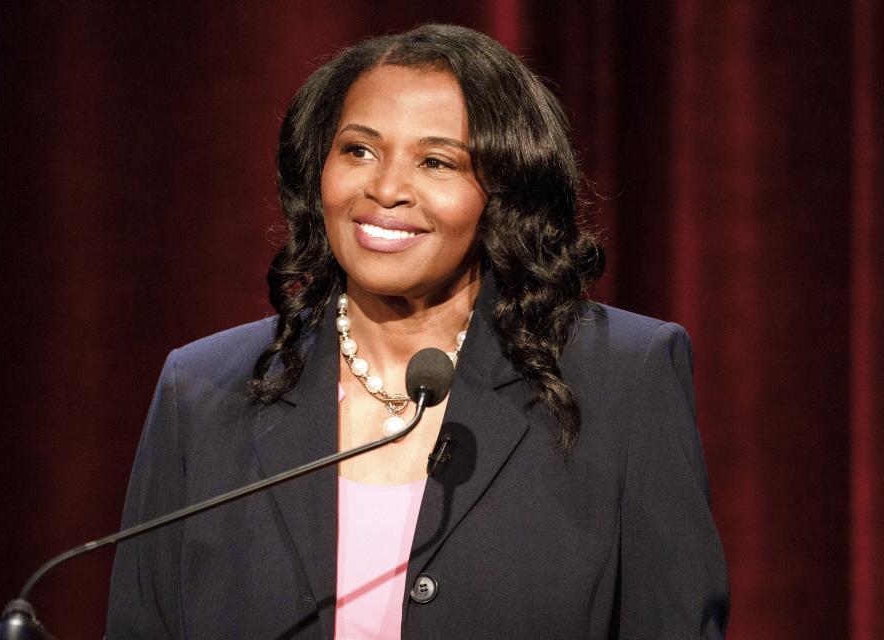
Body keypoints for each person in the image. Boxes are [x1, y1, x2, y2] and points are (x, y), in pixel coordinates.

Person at [106, 23, 729, 639]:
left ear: (502, 193)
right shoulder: (203, 391)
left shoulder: (620, 379)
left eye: (436, 162)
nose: (385, 189)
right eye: (358, 150)